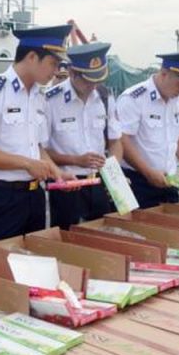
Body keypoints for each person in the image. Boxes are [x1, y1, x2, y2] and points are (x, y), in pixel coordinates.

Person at [0, 24, 75, 245]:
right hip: (2, 198)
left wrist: (56, 172)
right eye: (53, 63)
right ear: (32, 57)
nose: (56, 72)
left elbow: (37, 146)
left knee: (32, 264)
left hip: (33, 196)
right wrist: (27, 164)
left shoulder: (38, 95)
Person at [45, 42, 123, 229]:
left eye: (98, 79)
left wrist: (112, 168)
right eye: (88, 80)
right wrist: (75, 160)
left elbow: (115, 141)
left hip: (99, 181)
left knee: (102, 234)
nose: (93, 85)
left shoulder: (104, 97)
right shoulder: (50, 100)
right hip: (67, 183)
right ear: (72, 72)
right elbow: (41, 150)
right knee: (67, 238)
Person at [116, 51, 179, 208]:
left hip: (168, 181)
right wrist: (147, 172)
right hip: (137, 182)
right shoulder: (134, 98)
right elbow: (121, 140)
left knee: (171, 228)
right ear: (164, 73)